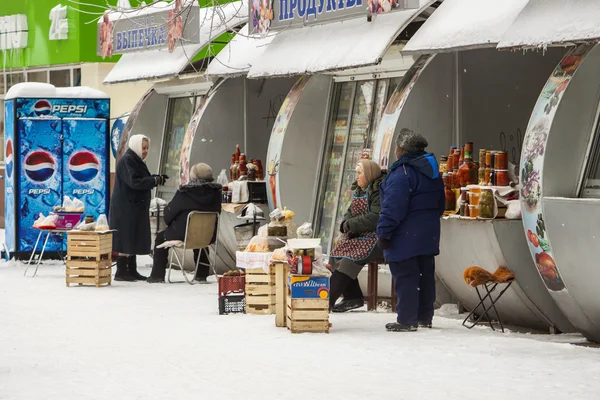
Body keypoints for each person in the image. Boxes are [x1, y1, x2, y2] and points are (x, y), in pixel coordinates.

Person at [376, 128, 445, 332]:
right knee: (424, 275)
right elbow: (441, 203)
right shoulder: (432, 172)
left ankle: (407, 319)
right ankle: (424, 316)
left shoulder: (402, 173)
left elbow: (392, 207)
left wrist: (383, 232)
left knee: (405, 275)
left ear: (402, 149)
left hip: (405, 233)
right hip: (428, 233)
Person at [147, 163, 222, 283]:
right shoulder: (217, 194)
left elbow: (168, 216)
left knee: (160, 238)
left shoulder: (185, 193)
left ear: (192, 177)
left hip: (183, 234)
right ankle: (201, 274)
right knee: (200, 235)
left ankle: (157, 276)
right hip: (208, 237)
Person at [329, 159, 385, 312]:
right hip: (359, 236)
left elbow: (375, 217)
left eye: (359, 173)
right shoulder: (359, 191)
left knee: (348, 260)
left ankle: (327, 300)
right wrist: (345, 224)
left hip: (376, 238)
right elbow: (350, 213)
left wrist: (351, 224)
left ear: (369, 174)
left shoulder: (378, 191)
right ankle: (352, 297)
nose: (357, 176)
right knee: (336, 254)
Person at [109, 134, 167, 282]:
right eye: (143, 148)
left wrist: (156, 178)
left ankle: (131, 270)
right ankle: (122, 271)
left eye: (147, 148)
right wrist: (154, 180)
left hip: (132, 207)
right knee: (126, 237)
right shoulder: (128, 160)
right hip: (125, 208)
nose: (146, 151)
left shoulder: (135, 160)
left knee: (131, 236)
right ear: (135, 146)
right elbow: (135, 182)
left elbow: (140, 178)